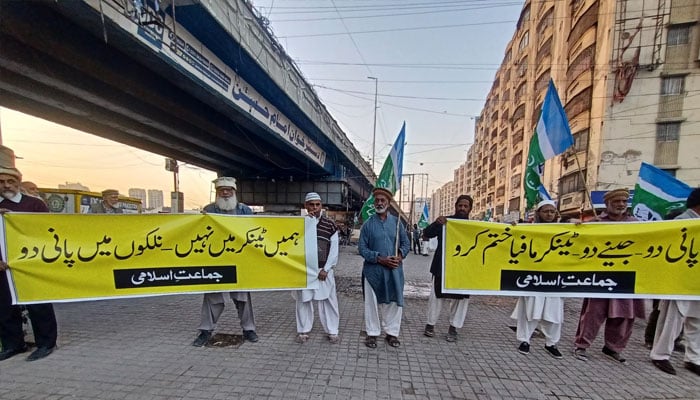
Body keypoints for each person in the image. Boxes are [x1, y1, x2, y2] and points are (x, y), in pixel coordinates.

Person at [573, 188, 645, 363]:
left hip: (626, 276)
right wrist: (578, 227)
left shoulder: (637, 225)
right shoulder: (596, 223)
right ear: (607, 204)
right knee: (593, 313)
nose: (620, 204)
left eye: (623, 201)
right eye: (616, 202)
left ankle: (613, 347)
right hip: (600, 275)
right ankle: (582, 345)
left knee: (624, 314)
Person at [192, 177, 258, 346]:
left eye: (228, 189)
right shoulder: (208, 210)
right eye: (222, 190)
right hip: (216, 260)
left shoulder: (244, 211)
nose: (225, 192)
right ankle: (205, 331)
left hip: (238, 261)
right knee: (212, 297)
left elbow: (254, 232)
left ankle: (249, 329)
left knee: (243, 297)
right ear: (217, 192)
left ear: (234, 191)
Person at [0, 165, 57, 361]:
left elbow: (46, 234)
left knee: (38, 306)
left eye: (10, 181)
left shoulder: (35, 205)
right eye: (1, 182)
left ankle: (46, 343)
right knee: (5, 307)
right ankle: (13, 345)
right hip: (3, 267)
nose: (6, 186)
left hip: (30, 265)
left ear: (18, 182)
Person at [650, 187, 700, 375]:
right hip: (680, 280)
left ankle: (693, 358)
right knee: (673, 319)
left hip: (697, 281)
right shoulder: (681, 222)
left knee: (697, 321)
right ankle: (660, 355)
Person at [510, 200, 564, 358]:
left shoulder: (564, 230)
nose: (549, 214)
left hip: (556, 278)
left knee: (554, 312)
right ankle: (524, 340)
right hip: (533, 277)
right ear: (539, 213)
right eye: (546, 211)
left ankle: (551, 343)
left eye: (552, 212)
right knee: (529, 310)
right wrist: (512, 228)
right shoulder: (528, 229)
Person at [358, 187, 410, 348]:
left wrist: (399, 257)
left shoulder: (396, 223)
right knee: (372, 303)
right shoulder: (367, 225)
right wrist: (380, 259)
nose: (380, 203)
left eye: (383, 200)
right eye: (377, 200)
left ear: (388, 203)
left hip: (394, 270)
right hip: (373, 271)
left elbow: (406, 243)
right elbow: (362, 248)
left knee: (393, 302)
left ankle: (392, 333)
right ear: (374, 203)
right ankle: (372, 333)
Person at [423, 195, 473, 342]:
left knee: (461, 300)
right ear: (455, 206)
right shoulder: (445, 222)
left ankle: (454, 328)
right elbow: (427, 233)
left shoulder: (475, 227)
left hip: (464, 270)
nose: (462, 208)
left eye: (466, 206)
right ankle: (430, 325)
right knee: (436, 297)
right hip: (442, 268)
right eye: (460, 205)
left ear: (470, 208)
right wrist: (437, 224)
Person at [293, 192, 340, 344]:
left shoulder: (330, 224)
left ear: (321, 206)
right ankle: (303, 330)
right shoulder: (299, 224)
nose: (314, 207)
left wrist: (326, 269)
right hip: (304, 270)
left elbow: (334, 249)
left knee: (328, 301)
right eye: (311, 204)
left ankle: (332, 330)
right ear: (305, 206)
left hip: (323, 271)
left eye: (317, 204)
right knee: (303, 301)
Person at [644, 208, 686, 350]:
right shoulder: (663, 234)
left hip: (681, 276)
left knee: (680, 310)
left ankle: (674, 339)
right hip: (663, 276)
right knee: (659, 308)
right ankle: (650, 338)